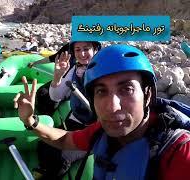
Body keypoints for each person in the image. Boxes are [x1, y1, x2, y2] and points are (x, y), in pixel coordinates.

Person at [14, 44, 190, 179]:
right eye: (101, 91)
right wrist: (30, 121)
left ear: (148, 94)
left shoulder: (180, 152)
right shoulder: (101, 132)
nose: (112, 107)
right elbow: (65, 139)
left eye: (126, 90)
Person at [33, 41, 101, 178]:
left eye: (86, 49)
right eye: (78, 50)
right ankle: (45, 168)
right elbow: (56, 96)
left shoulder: (103, 71)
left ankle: (54, 172)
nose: (82, 54)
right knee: (43, 143)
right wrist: (57, 76)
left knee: (61, 155)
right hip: (75, 121)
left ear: (95, 49)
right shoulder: (74, 69)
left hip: (95, 129)